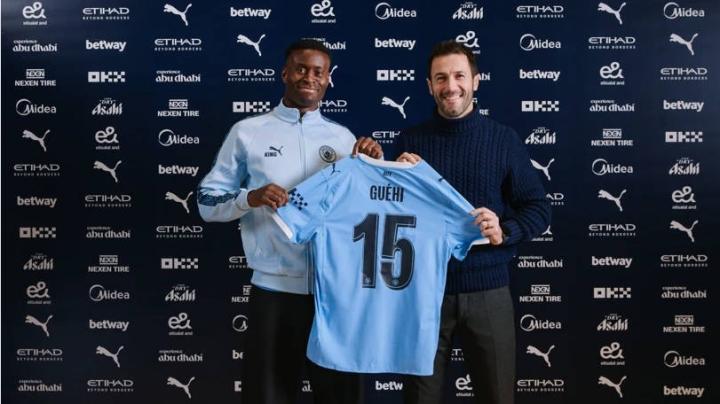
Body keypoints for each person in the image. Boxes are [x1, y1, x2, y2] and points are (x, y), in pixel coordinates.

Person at [197, 39, 381, 404]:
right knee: (268, 397)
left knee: (341, 398)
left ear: (327, 79)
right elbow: (206, 202)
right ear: (284, 73)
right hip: (274, 294)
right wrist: (250, 197)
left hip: (334, 295)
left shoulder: (342, 138)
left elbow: (362, 212)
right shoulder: (248, 131)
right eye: (301, 69)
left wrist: (372, 164)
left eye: (318, 72)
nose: (309, 78)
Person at [396, 40, 551, 404]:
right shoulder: (410, 142)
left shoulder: (503, 140)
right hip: (425, 293)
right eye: (441, 78)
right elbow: (393, 218)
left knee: (497, 396)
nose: (451, 86)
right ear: (429, 86)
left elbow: (538, 208)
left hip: (488, 291)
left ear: (476, 81)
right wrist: (397, 182)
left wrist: (504, 231)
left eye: (459, 76)